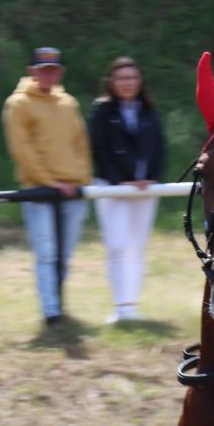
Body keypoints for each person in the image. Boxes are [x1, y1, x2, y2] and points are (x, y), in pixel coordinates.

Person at [3, 46, 92, 326]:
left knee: (64, 255)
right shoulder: (18, 104)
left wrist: (81, 178)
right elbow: (22, 149)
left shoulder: (68, 103)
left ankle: (58, 303)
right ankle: (51, 311)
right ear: (32, 72)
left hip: (73, 189)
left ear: (60, 73)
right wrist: (48, 181)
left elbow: (81, 144)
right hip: (39, 190)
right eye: (43, 70)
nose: (48, 75)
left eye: (53, 70)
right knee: (47, 253)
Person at [83, 57, 167, 323]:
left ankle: (132, 306)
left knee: (137, 245)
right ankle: (120, 307)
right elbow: (98, 150)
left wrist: (152, 178)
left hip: (145, 189)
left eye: (133, 78)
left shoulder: (148, 110)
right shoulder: (102, 111)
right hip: (112, 187)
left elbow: (159, 148)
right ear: (111, 82)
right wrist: (121, 181)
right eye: (122, 78)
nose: (128, 83)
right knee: (117, 245)